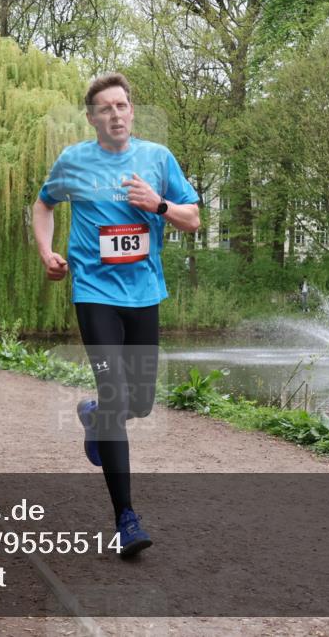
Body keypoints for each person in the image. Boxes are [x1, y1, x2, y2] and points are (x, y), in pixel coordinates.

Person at [32, 73, 200, 559]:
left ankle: (93, 417)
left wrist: (159, 204)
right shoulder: (74, 162)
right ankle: (126, 518)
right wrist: (46, 252)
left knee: (141, 403)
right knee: (116, 394)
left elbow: (193, 218)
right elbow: (43, 205)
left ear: (132, 111)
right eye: (105, 108)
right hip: (94, 292)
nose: (116, 114)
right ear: (92, 118)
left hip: (144, 292)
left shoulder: (158, 158)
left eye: (122, 105)